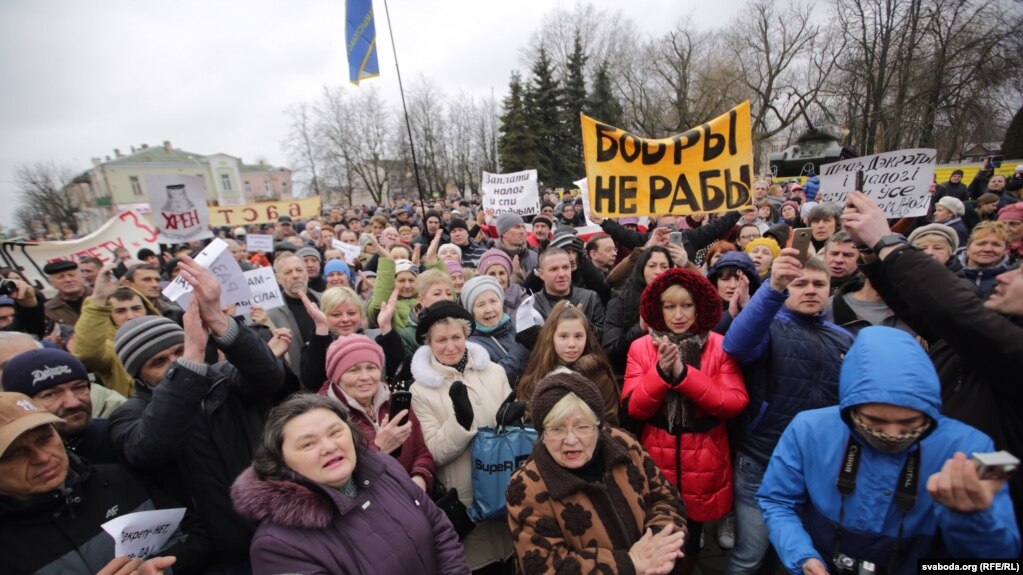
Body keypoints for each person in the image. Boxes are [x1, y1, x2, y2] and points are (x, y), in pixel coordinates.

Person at [758, 327, 1020, 574]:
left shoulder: (970, 447)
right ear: (849, 407)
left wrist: (970, 518)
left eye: (910, 423)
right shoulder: (809, 428)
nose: (893, 435)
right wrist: (802, 556)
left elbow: (999, 560)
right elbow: (777, 500)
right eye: (875, 422)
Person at [842, 189, 1023, 534]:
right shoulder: (984, 338)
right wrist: (869, 252)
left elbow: (957, 312)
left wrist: (888, 241)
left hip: (990, 511)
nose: (1004, 275)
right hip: (930, 485)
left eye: (1019, 273)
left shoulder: (1005, 344)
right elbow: (922, 308)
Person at [108, 256, 289, 571]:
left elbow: (268, 376)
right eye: (158, 362)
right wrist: (189, 358)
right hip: (220, 555)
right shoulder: (128, 416)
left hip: (280, 528)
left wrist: (219, 322)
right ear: (137, 374)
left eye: (177, 351)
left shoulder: (222, 378)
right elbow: (151, 448)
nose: (174, 363)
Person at [231, 393, 468, 574]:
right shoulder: (277, 546)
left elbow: (438, 526)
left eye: (335, 432)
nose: (329, 447)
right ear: (281, 461)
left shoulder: (386, 468)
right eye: (308, 444)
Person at [722, 251, 854, 575]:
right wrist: (772, 288)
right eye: (800, 283)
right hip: (761, 458)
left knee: (791, 554)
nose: (810, 289)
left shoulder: (844, 339)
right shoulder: (770, 328)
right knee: (749, 555)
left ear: (830, 289)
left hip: (818, 466)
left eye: (818, 283)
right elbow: (736, 345)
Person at [623, 268, 748, 575]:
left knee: (691, 538)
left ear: (700, 306)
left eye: (686, 305)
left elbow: (733, 402)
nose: (679, 315)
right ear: (658, 308)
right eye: (670, 306)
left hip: (705, 456)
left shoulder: (719, 345)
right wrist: (662, 375)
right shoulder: (641, 347)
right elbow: (633, 408)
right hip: (656, 456)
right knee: (657, 532)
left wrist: (684, 376)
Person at [0, 391, 209, 574]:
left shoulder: (119, 478)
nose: (42, 457)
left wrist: (160, 568)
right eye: (14, 453)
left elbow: (194, 536)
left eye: (44, 438)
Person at [506, 371, 687, 575]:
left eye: (582, 427)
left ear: (598, 427)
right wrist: (629, 563)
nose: (571, 440)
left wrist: (659, 543)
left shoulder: (624, 445)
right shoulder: (526, 487)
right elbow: (545, 566)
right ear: (542, 434)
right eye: (556, 429)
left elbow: (666, 497)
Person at [408, 301, 515, 572]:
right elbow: (433, 451)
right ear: (428, 343)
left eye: (456, 337)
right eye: (441, 340)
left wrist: (513, 424)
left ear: (466, 336)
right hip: (466, 499)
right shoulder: (420, 390)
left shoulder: (494, 372)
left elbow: (510, 436)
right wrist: (461, 423)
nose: (450, 346)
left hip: (505, 491)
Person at [319, 335, 435, 490]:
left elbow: (422, 452)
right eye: (354, 370)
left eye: (371, 367)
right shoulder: (325, 418)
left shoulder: (395, 401)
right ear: (337, 376)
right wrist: (381, 450)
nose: (365, 377)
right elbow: (342, 485)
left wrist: (419, 480)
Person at [2, 348, 119, 464]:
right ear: (23, 404)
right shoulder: (10, 462)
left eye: (79, 387)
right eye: (51, 394)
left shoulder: (118, 438)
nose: (73, 403)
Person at [517, 300, 620, 425]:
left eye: (578, 336)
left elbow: (609, 422)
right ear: (551, 338)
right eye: (564, 336)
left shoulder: (600, 377)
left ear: (587, 337)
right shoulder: (535, 377)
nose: (572, 344)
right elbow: (529, 421)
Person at [73, 263, 162, 398]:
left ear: (147, 310)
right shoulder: (110, 348)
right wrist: (99, 298)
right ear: (110, 316)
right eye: (120, 311)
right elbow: (87, 354)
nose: (131, 316)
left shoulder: (164, 335)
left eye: (136, 308)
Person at [603, 246, 673, 380]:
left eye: (664, 266)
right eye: (652, 266)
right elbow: (610, 353)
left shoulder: (680, 302)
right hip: (632, 376)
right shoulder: (620, 302)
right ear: (642, 270)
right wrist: (639, 329)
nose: (658, 271)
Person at [461, 275, 530, 385]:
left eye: (493, 301)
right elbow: (493, 381)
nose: (489, 309)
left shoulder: (514, 325)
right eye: (481, 305)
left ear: (501, 303)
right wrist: (522, 350)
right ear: (471, 311)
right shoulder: (471, 346)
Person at [262, 252, 321, 376]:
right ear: (278, 278)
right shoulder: (269, 314)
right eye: (288, 272)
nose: (295, 275)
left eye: (299, 270)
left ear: (306, 272)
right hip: (297, 384)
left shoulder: (325, 301)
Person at [532, 248, 606, 337]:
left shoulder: (591, 297)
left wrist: (583, 323)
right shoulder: (532, 305)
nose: (562, 274)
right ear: (541, 274)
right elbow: (534, 346)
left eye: (566, 267)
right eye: (554, 269)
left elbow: (603, 337)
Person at [706, 251, 760, 334]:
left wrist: (747, 309)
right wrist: (730, 314)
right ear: (715, 282)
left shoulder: (762, 310)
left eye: (739, 279)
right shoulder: (702, 310)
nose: (732, 285)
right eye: (725, 279)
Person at [955, 221, 1010, 299]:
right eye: (981, 243)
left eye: (996, 244)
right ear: (968, 246)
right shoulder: (948, 273)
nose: (988, 249)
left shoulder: (1011, 279)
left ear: (1005, 250)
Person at [477, 248, 529, 315]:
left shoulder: (523, 299)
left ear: (508, 275)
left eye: (501, 273)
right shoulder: (476, 300)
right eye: (492, 274)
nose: (497, 278)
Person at [42, 260, 91, 329]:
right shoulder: (49, 310)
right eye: (61, 277)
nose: (68, 280)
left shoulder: (102, 296)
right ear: (52, 283)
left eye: (71, 275)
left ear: (82, 278)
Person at [822, 231, 863, 295]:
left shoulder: (867, 289)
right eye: (834, 254)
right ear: (824, 255)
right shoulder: (809, 283)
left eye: (847, 255)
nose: (839, 260)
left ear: (860, 258)